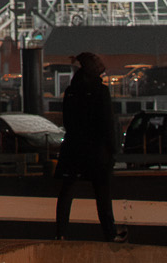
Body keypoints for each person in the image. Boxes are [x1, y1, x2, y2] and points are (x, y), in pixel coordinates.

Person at [54, 50, 125, 243]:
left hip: (74, 148)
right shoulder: (100, 91)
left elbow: (67, 121)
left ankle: (60, 233)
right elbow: (107, 123)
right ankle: (110, 233)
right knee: (102, 193)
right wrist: (113, 149)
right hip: (97, 151)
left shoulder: (70, 92)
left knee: (67, 191)